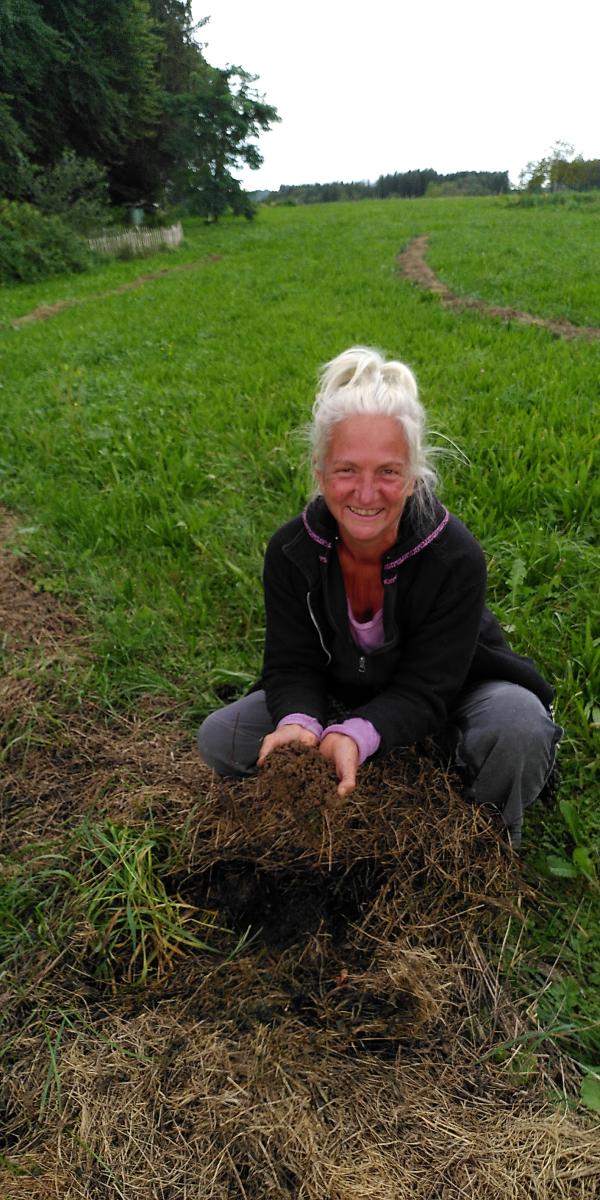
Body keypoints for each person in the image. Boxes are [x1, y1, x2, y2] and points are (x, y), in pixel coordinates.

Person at [198, 347, 562, 846]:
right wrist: (300, 724)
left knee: (519, 727)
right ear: (319, 470)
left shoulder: (455, 557)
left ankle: (487, 840)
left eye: (388, 472)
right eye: (346, 470)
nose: (366, 495)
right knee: (221, 738)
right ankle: (385, 758)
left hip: (454, 692)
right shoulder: (290, 551)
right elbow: (290, 664)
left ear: (413, 476)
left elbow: (430, 687)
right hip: (343, 692)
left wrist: (356, 733)